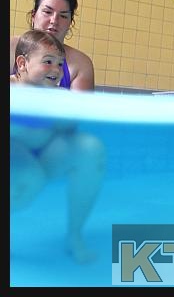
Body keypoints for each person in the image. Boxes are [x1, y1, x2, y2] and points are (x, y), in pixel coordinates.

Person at [10, 30, 106, 263]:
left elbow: (69, 128)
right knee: (30, 177)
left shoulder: (59, 96)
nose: (56, 70)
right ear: (22, 63)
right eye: (48, 62)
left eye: (60, 64)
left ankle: (74, 235)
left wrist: (64, 110)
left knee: (90, 149)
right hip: (15, 157)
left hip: (43, 154)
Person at [10, 0, 95, 90]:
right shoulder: (10, 47)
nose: (54, 21)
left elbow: (80, 101)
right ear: (33, 16)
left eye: (63, 16)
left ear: (70, 23)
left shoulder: (80, 64)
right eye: (47, 12)